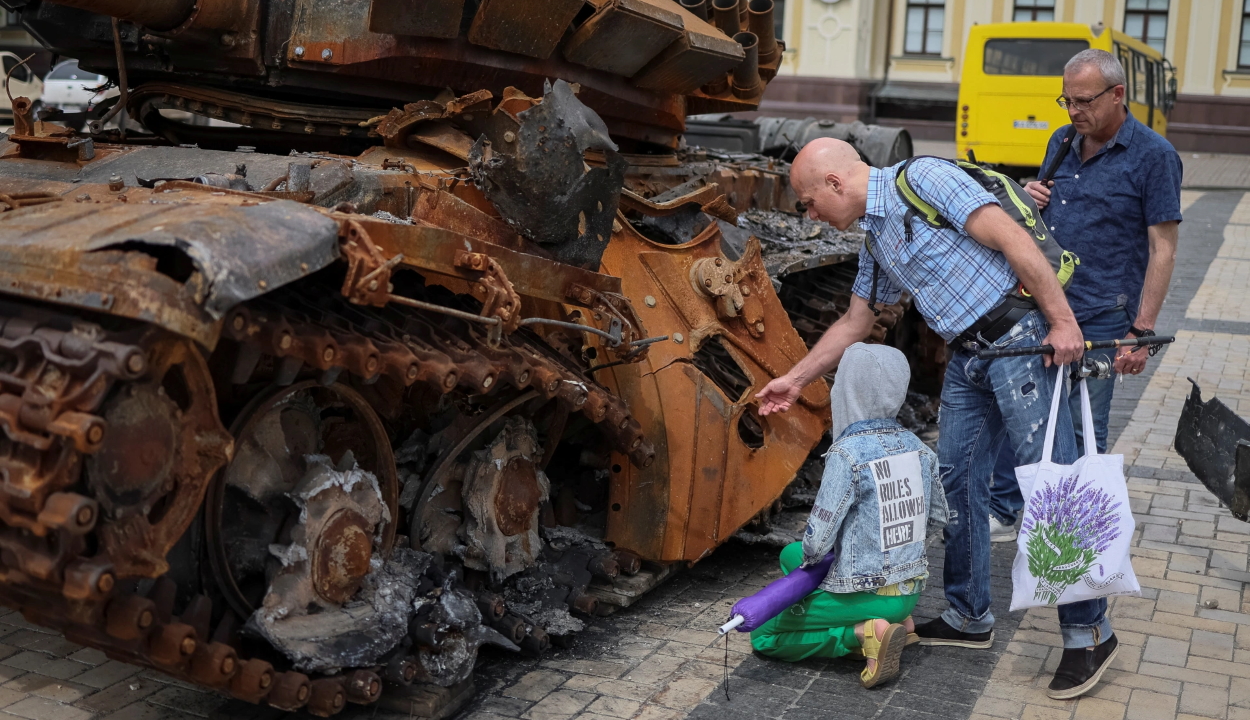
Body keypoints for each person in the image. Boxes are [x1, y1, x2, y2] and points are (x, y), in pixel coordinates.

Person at [758, 136, 1117, 700]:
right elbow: (856, 322)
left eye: (807, 202)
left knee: (1055, 486)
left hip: (1018, 339)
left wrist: (1063, 322)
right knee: (957, 481)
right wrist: (797, 379)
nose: (809, 215)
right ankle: (968, 615)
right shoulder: (876, 237)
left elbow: (1012, 239)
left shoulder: (922, 178)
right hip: (968, 355)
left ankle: (1089, 632)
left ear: (833, 184)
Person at [988, 48, 1182, 559]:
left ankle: (1073, 534)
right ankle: (1006, 508)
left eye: (1083, 101)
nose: (1073, 112)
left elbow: (1163, 250)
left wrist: (1140, 332)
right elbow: (1035, 222)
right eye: (1066, 100)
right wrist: (1028, 198)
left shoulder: (1155, 156)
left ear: (1117, 94)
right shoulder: (1062, 140)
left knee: (1082, 427)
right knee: (1021, 408)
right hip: (1044, 306)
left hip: (1102, 315)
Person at [751, 343, 948, 689]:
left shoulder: (846, 454)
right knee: (788, 554)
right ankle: (903, 625)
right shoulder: (919, 448)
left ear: (847, 390)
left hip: (867, 593)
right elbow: (935, 518)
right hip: (911, 588)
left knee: (764, 634)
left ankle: (863, 633)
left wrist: (824, 563)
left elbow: (817, 543)